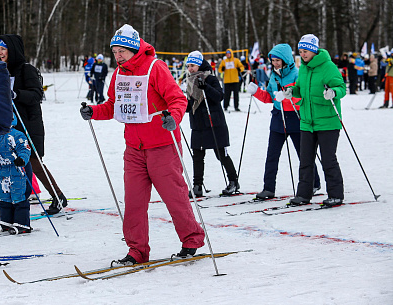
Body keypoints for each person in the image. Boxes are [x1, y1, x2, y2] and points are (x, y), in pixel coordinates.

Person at [80, 24, 205, 264]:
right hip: (134, 149)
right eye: (114, 51)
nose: (117, 56)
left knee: (174, 197)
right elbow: (113, 105)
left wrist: (173, 118)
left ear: (134, 49)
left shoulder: (154, 67)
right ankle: (137, 250)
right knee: (134, 202)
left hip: (162, 146)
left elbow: (177, 99)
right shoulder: (119, 74)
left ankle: (191, 239)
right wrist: (93, 111)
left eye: (122, 51)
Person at [0, 34, 68, 215]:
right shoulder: (0, 70)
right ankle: (6, 202)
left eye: (4, 49)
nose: (0, 53)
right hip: (6, 124)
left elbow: (36, 95)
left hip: (28, 125)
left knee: (32, 162)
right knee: (1, 162)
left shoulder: (27, 70)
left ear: (13, 50)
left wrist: (16, 94)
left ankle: (57, 196)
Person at [246, 43, 320, 200]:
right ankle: (268, 188)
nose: (274, 63)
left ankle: (314, 183)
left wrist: (286, 97)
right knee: (271, 155)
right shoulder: (273, 75)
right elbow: (270, 97)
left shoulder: (297, 74)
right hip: (278, 118)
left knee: (303, 155)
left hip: (295, 118)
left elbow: (300, 98)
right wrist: (257, 92)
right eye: (273, 61)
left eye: (277, 60)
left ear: (286, 59)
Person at [283, 34, 346, 207]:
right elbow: (301, 89)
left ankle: (336, 194)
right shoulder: (303, 67)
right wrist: (291, 91)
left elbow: (341, 87)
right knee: (305, 160)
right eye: (300, 51)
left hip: (327, 122)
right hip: (307, 121)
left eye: (305, 51)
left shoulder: (328, 67)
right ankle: (303, 194)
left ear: (313, 50)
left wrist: (333, 92)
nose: (302, 55)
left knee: (328, 159)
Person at [184, 51, 239, 197]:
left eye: (193, 65)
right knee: (197, 155)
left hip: (213, 123)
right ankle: (197, 185)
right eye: (188, 65)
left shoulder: (211, 78)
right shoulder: (189, 80)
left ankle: (233, 181)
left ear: (200, 64)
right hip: (197, 124)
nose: (190, 68)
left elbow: (219, 96)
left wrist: (205, 88)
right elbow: (190, 104)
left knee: (221, 155)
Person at [0, 115, 33, 234]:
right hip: (3, 168)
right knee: (4, 194)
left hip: (18, 169)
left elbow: (25, 148)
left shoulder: (16, 134)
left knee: (18, 195)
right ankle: (6, 220)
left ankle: (22, 223)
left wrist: (22, 158)